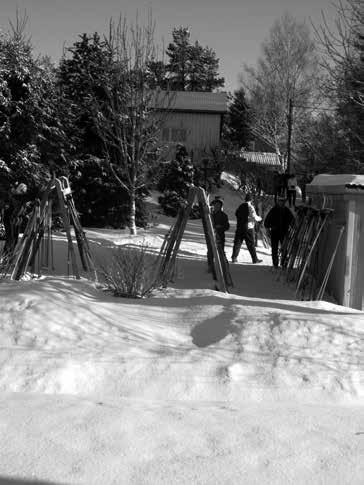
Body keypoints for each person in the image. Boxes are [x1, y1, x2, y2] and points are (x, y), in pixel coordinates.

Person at [264, 196, 294, 268]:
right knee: (274, 249)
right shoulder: (273, 210)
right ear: (278, 201)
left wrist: (294, 228)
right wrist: (267, 229)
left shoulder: (287, 211)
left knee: (284, 249)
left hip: (284, 232)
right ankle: (275, 264)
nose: (282, 203)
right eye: (280, 201)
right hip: (275, 232)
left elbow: (292, 221)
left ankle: (283, 263)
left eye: (283, 201)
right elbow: (267, 221)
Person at [231, 193, 262, 264]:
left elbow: (236, 214)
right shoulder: (250, 207)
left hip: (239, 227)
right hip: (248, 228)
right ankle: (255, 259)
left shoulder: (240, 206)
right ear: (251, 199)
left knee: (237, 243)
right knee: (251, 244)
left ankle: (234, 258)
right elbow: (254, 217)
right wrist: (260, 219)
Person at [207, 196, 230, 270]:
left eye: (218, 205)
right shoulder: (210, 215)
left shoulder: (224, 215)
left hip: (220, 236)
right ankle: (210, 266)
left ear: (220, 206)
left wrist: (220, 227)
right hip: (211, 235)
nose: (216, 206)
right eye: (215, 205)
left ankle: (225, 266)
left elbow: (227, 226)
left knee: (221, 252)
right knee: (210, 252)